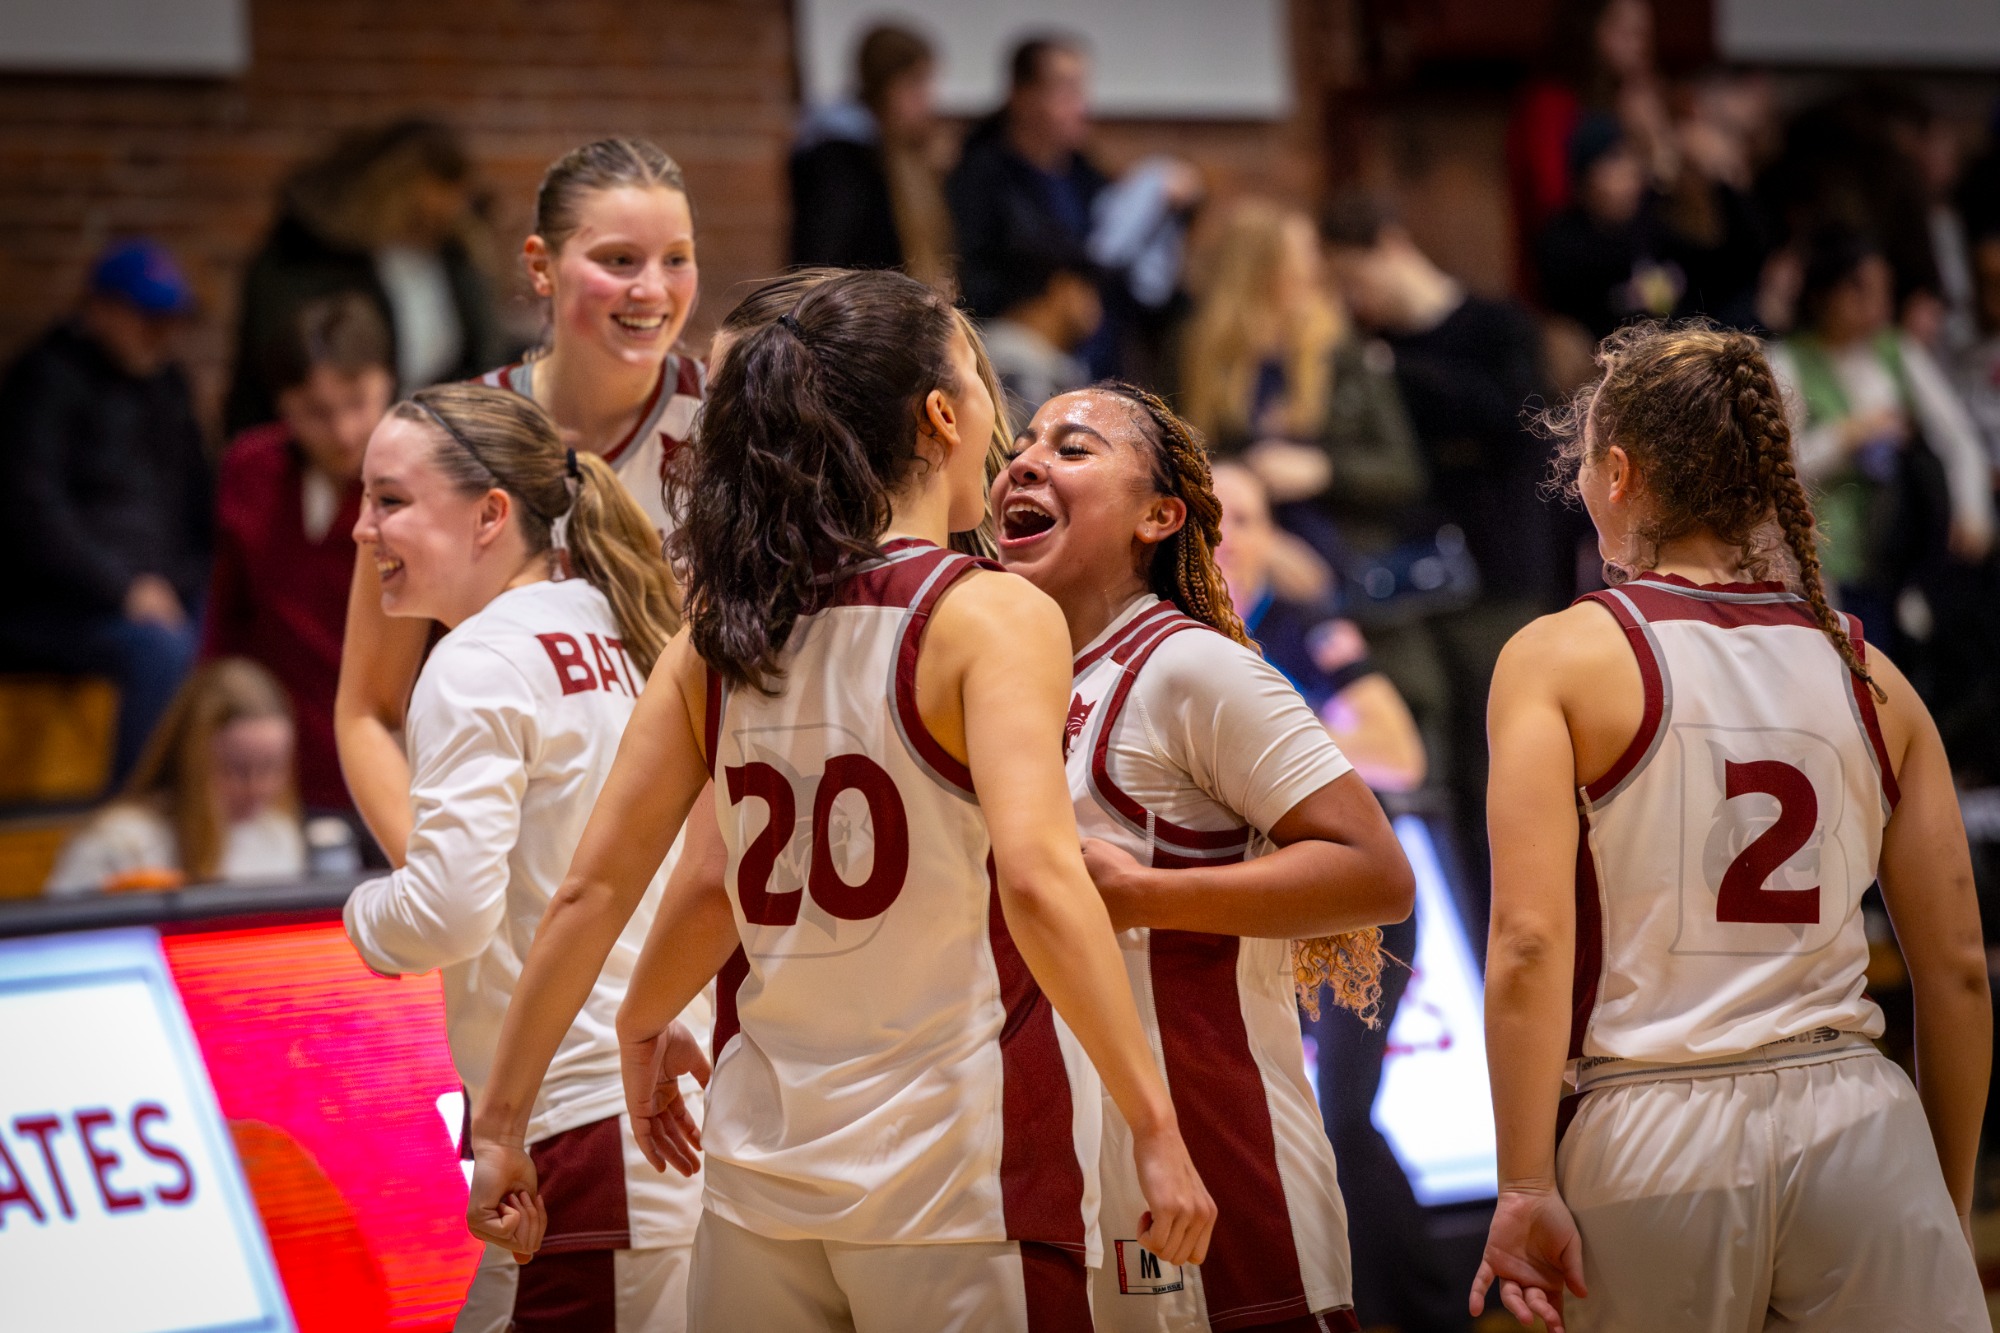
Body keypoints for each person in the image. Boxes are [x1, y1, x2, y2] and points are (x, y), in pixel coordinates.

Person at [464, 269, 1216, 1330]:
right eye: (982, 387)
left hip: (759, 1189)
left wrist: (514, 1115)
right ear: (942, 416)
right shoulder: (988, 615)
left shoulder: (719, 638)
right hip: (955, 1184)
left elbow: (607, 892)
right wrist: (1153, 1124)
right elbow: (1043, 884)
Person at [1471, 322, 1990, 1332]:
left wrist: (1523, 1181)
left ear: (1618, 472)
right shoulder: (1872, 674)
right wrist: (1940, 1196)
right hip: (1856, 1116)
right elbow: (1960, 969)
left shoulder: (1557, 658)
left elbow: (1528, 942)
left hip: (1652, 1129)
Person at [992, 381, 1414, 1331]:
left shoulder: (1193, 666)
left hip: (1221, 1151)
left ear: (1159, 516)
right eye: (1021, 445)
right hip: (1075, 1161)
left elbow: (1375, 872)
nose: (1024, 463)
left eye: (1072, 448)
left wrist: (1145, 893)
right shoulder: (1018, 681)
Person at [340, 383, 696, 1332]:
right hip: (652, 1115)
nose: (361, 529)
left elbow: (449, 911)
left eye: (389, 500)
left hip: (581, 1133)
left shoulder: (475, 661)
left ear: (490, 514)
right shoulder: (622, 623)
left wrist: (363, 916)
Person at [336, 137, 702, 864]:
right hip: (514, 857)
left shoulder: (739, 426)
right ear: (541, 266)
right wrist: (443, 879)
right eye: (619, 260)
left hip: (694, 861)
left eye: (676, 259)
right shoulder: (446, 438)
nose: (653, 289)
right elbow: (368, 710)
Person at [0, 238, 212, 787]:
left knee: (235, 619)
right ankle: (136, 807)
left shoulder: (168, 386)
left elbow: (197, 504)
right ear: (100, 309)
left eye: (170, 319)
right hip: (61, 606)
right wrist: (125, 590)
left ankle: (222, 803)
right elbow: (33, 516)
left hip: (160, 593)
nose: (161, 333)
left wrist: (185, 580)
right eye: (146, 318)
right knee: (160, 649)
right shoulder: (44, 380)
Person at [206, 293, 394, 826]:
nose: (343, 432)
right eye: (315, 412)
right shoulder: (251, 470)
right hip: (271, 769)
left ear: (388, 383)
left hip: (392, 763)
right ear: (283, 406)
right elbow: (225, 622)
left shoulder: (423, 481)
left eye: (357, 403)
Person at [1766, 227, 1995, 639]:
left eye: (1883, 289)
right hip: (1827, 559)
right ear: (1825, 294)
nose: (1880, 303)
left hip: (1903, 547)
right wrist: (1847, 436)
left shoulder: (1895, 350)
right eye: (1862, 290)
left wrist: (1971, 507)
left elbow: (1956, 435)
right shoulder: (1788, 361)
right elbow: (1778, 468)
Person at [226, 117, 507, 435]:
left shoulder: (456, 260)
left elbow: (482, 355)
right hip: (327, 442)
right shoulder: (309, 257)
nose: (449, 208)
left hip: (428, 441)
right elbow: (281, 367)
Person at [948, 34, 1198, 381]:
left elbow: (1119, 259)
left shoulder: (1086, 176)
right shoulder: (981, 179)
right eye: (1066, 92)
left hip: (1105, 363)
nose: (1082, 108)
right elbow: (978, 284)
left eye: (1082, 91)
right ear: (1023, 97)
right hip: (1021, 358)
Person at [46, 658, 303, 895]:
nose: (258, 787)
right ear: (191, 761)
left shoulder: (279, 836)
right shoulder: (121, 843)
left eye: (273, 767)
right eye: (236, 769)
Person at [788, 23, 952, 289]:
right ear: (885, 87)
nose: (927, 100)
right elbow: (821, 266)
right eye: (915, 83)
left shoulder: (901, 156)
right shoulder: (840, 162)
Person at [979, 243, 1101, 421]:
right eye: (1088, 290)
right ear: (1062, 287)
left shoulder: (1061, 365)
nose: (1097, 307)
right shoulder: (1005, 358)